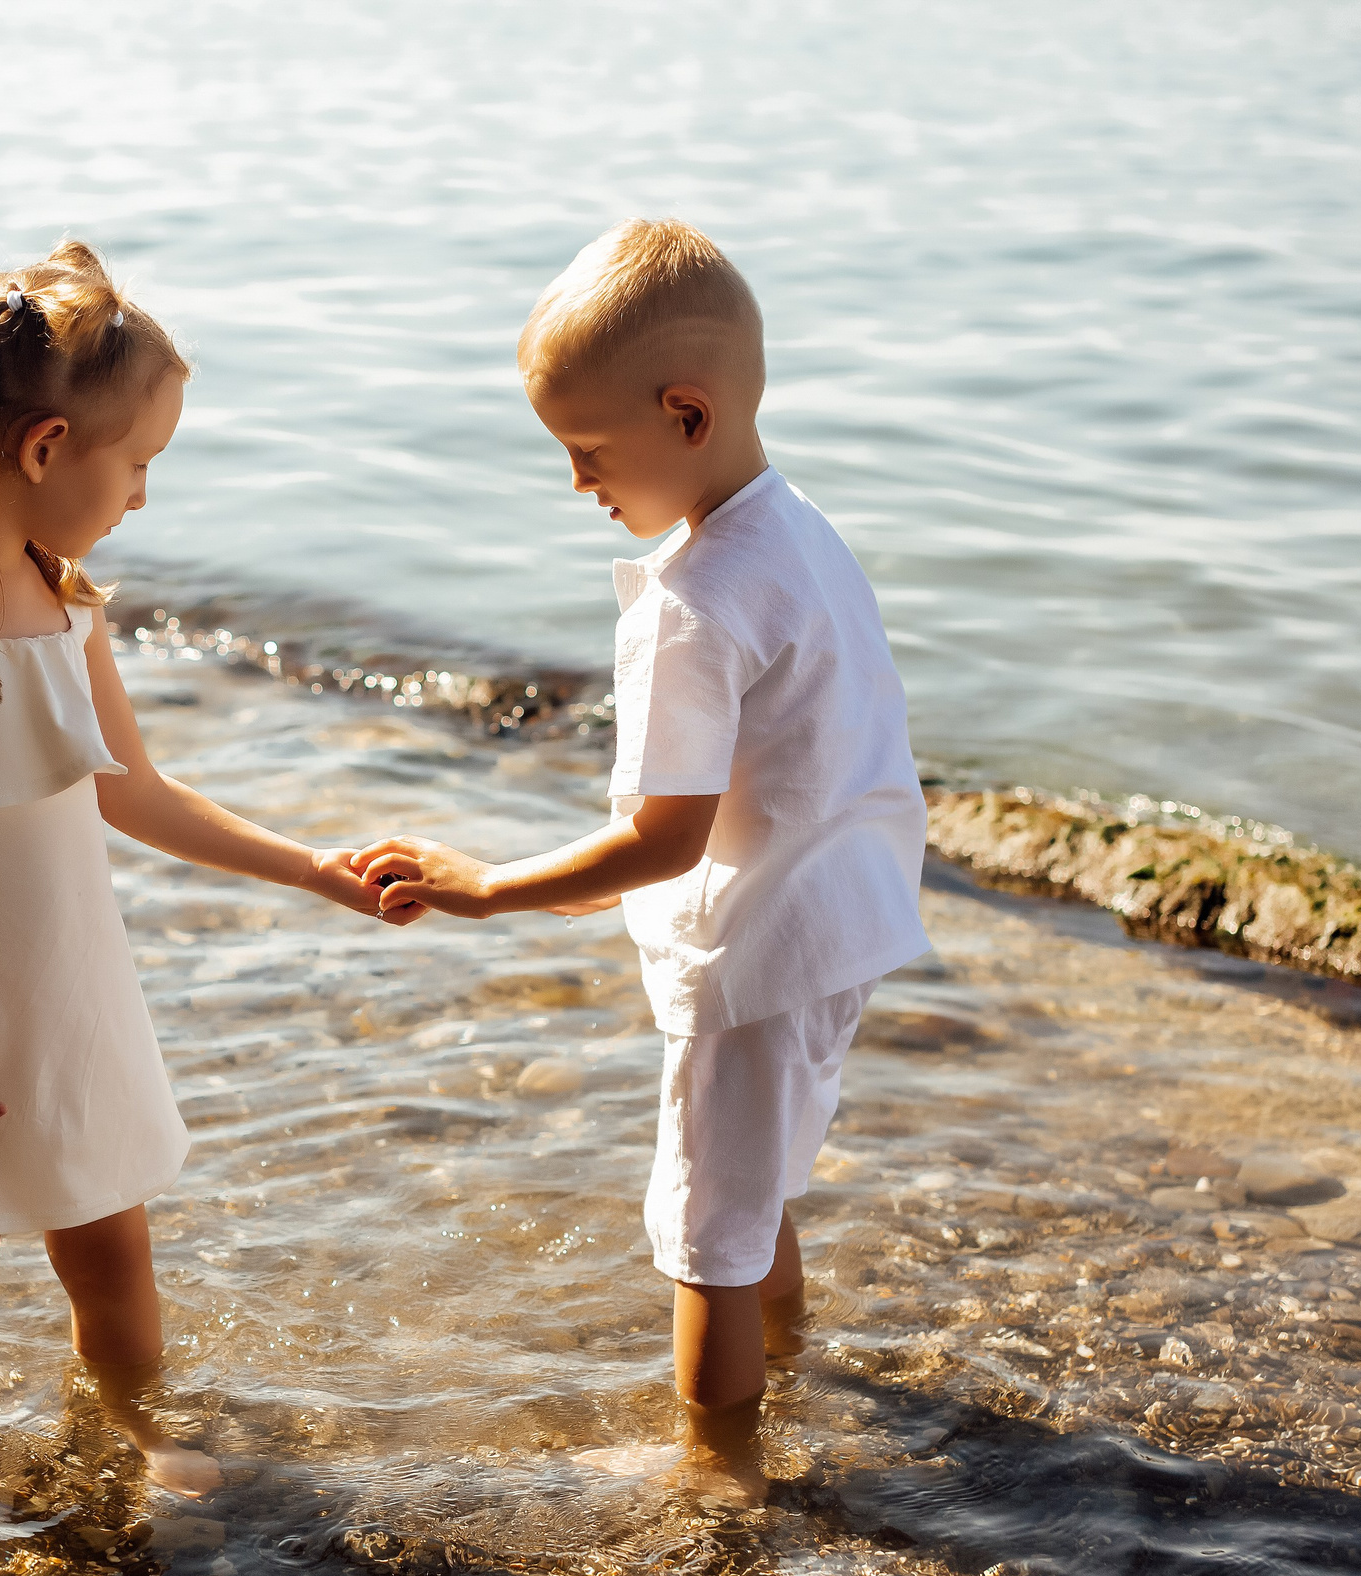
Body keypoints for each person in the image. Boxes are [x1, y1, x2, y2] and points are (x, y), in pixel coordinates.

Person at [0, 240, 377, 1545]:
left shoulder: (66, 598)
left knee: (112, 1245)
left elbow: (138, 793)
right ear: (48, 447)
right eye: (139, 463)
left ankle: (137, 1421)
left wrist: (310, 862)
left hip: (68, 990)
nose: (145, 496)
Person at [356, 218, 930, 1478]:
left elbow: (663, 839)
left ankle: (714, 1481)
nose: (575, 483)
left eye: (586, 451)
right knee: (757, 1187)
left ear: (684, 413)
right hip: (847, 917)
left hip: (759, 947)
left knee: (704, 1234)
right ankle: (785, 1372)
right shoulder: (802, 532)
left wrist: (488, 887)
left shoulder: (693, 599)